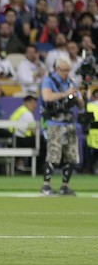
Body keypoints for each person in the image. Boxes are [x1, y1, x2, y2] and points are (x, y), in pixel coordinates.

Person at [39, 56, 83, 196]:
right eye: (64, 70)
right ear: (57, 69)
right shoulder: (48, 81)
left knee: (71, 155)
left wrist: (78, 96)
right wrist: (65, 94)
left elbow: (81, 105)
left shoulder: (71, 82)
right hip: (54, 122)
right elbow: (46, 97)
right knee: (53, 154)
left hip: (69, 123)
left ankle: (65, 186)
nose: (66, 73)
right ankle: (46, 186)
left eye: (68, 70)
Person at [9, 95, 39, 172]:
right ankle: (39, 168)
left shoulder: (20, 110)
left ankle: (22, 164)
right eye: (31, 102)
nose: (33, 105)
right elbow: (34, 131)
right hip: (19, 139)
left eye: (34, 103)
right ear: (25, 103)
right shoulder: (27, 113)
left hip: (13, 137)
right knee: (40, 141)